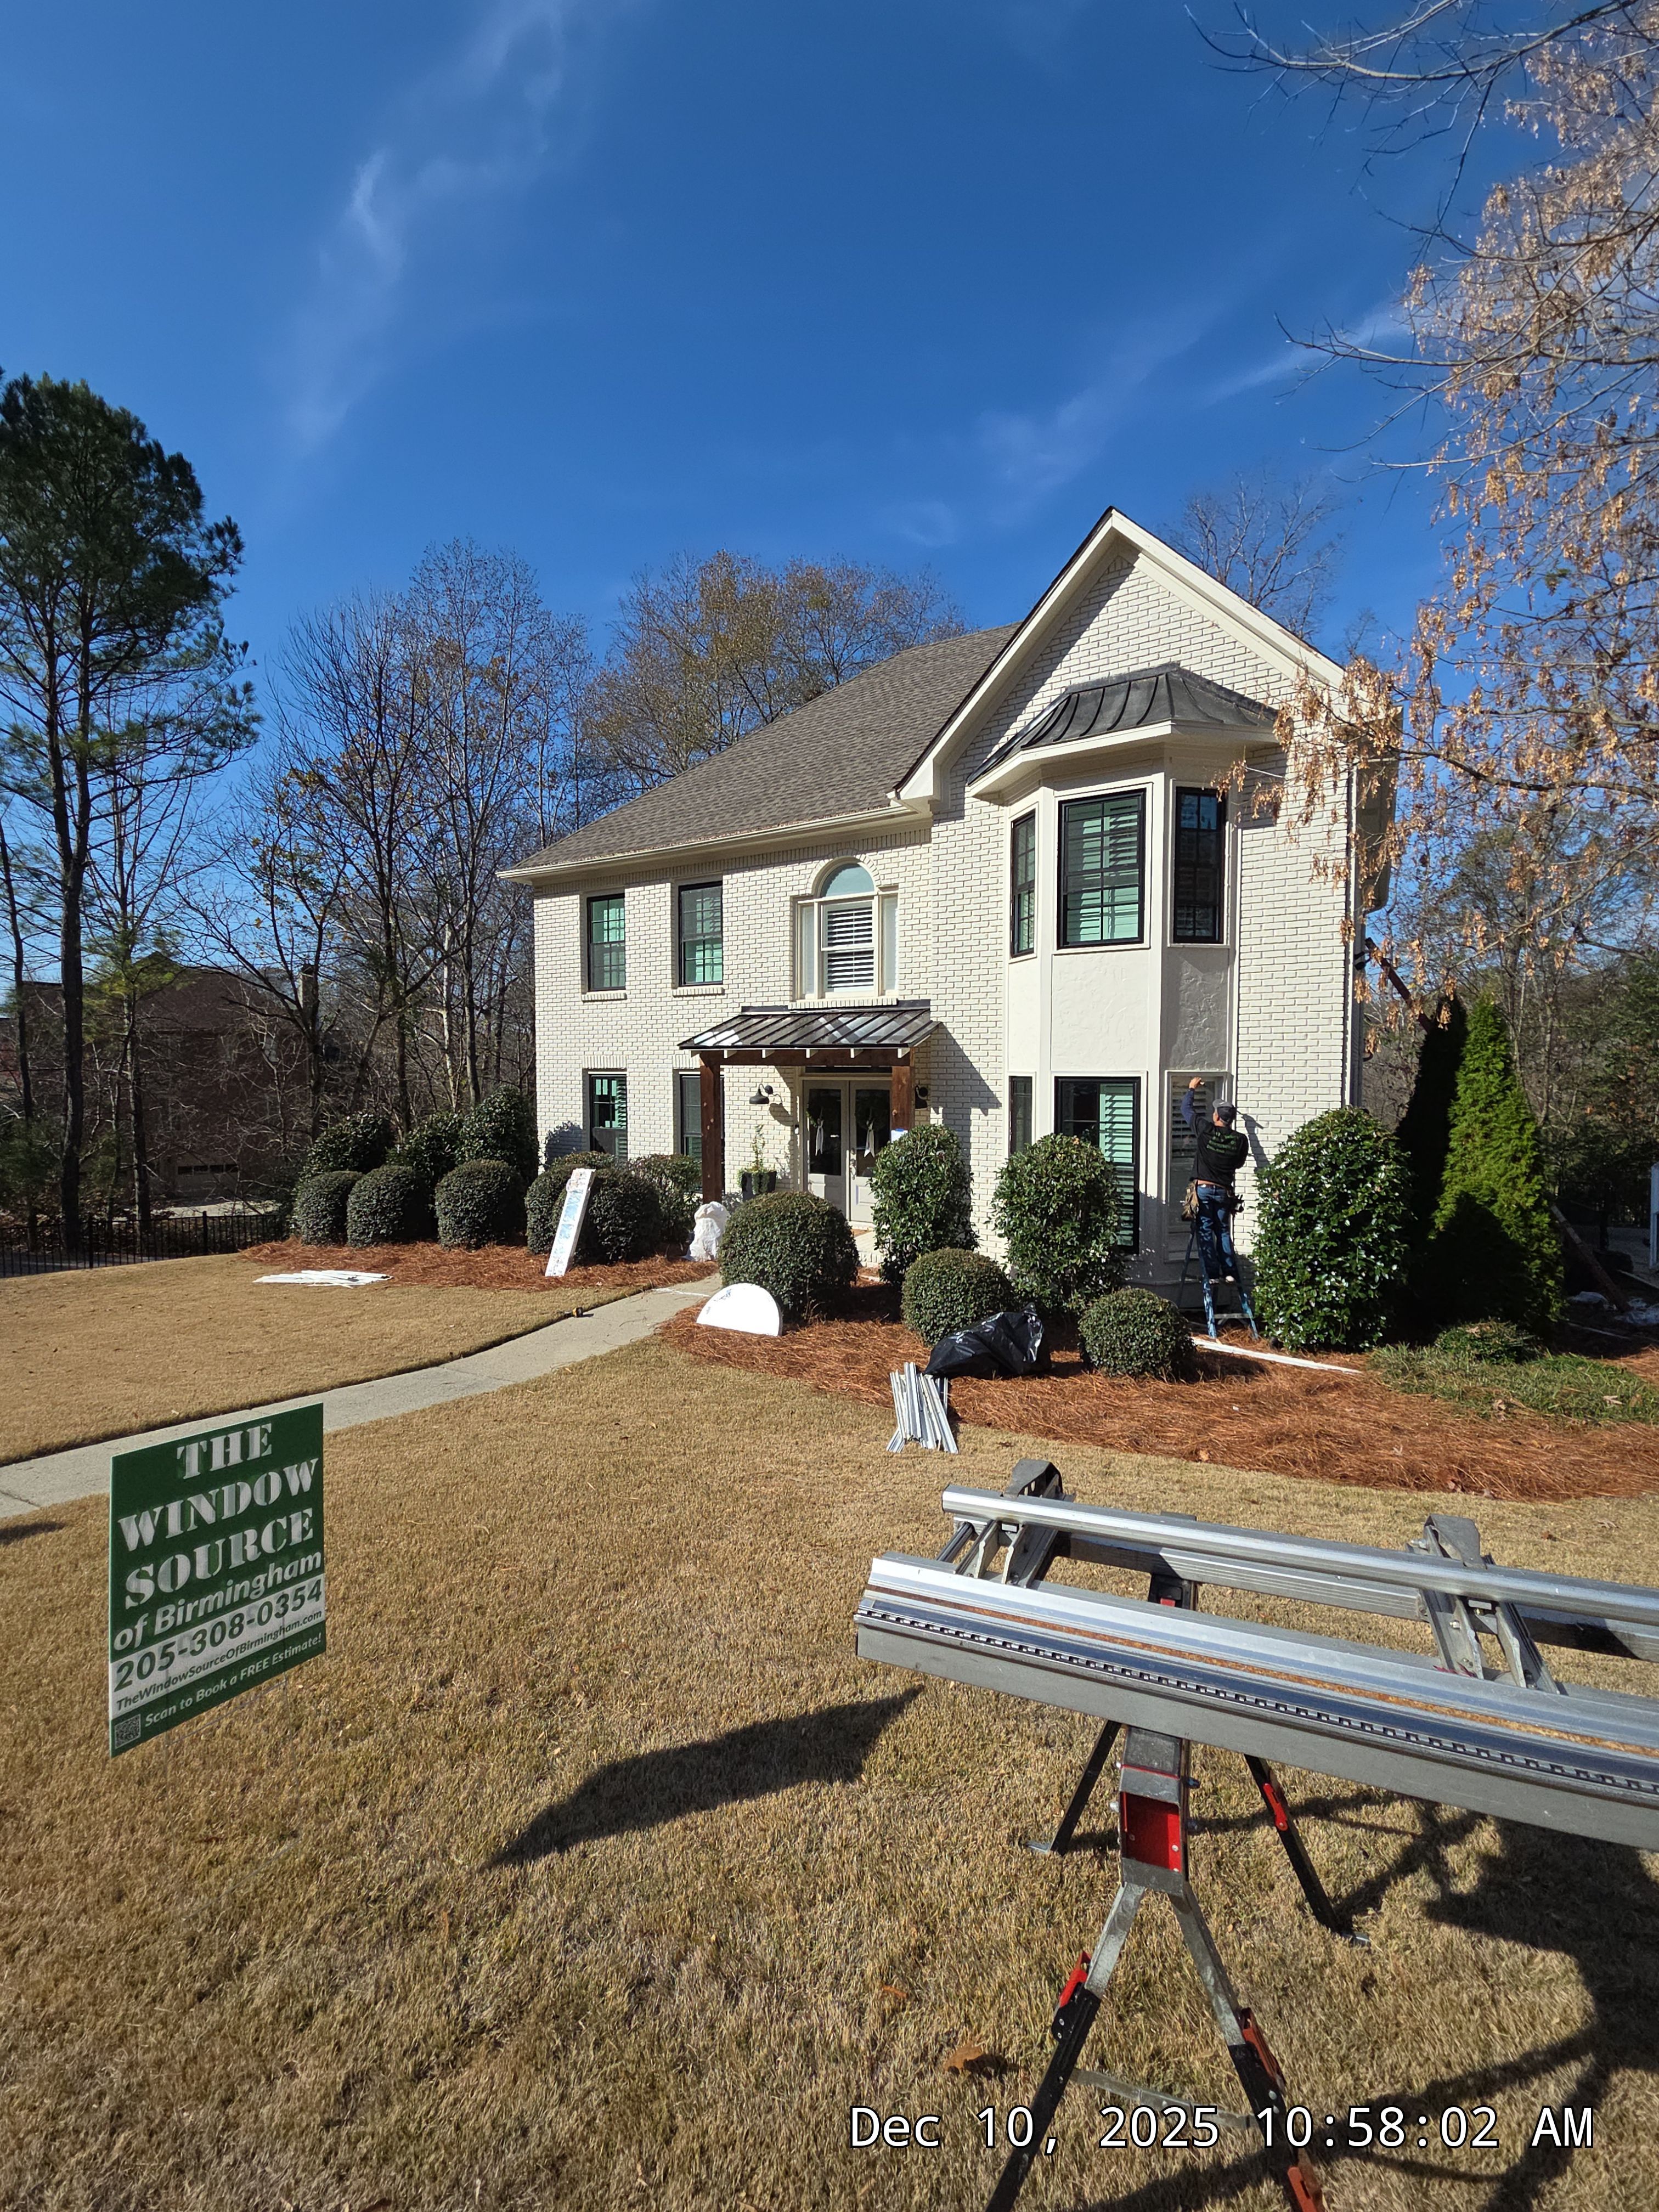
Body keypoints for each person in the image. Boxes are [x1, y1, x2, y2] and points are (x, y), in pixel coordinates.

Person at [1182, 1076, 1249, 1284]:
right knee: (1222, 1231)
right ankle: (1229, 1272)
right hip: (1223, 1192)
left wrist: (1191, 1089)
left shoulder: (1205, 1130)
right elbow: (1238, 1164)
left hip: (1202, 1190)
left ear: (1218, 1117)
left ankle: (1211, 1274)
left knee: (1205, 1230)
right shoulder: (1240, 1140)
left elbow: (1186, 1110)